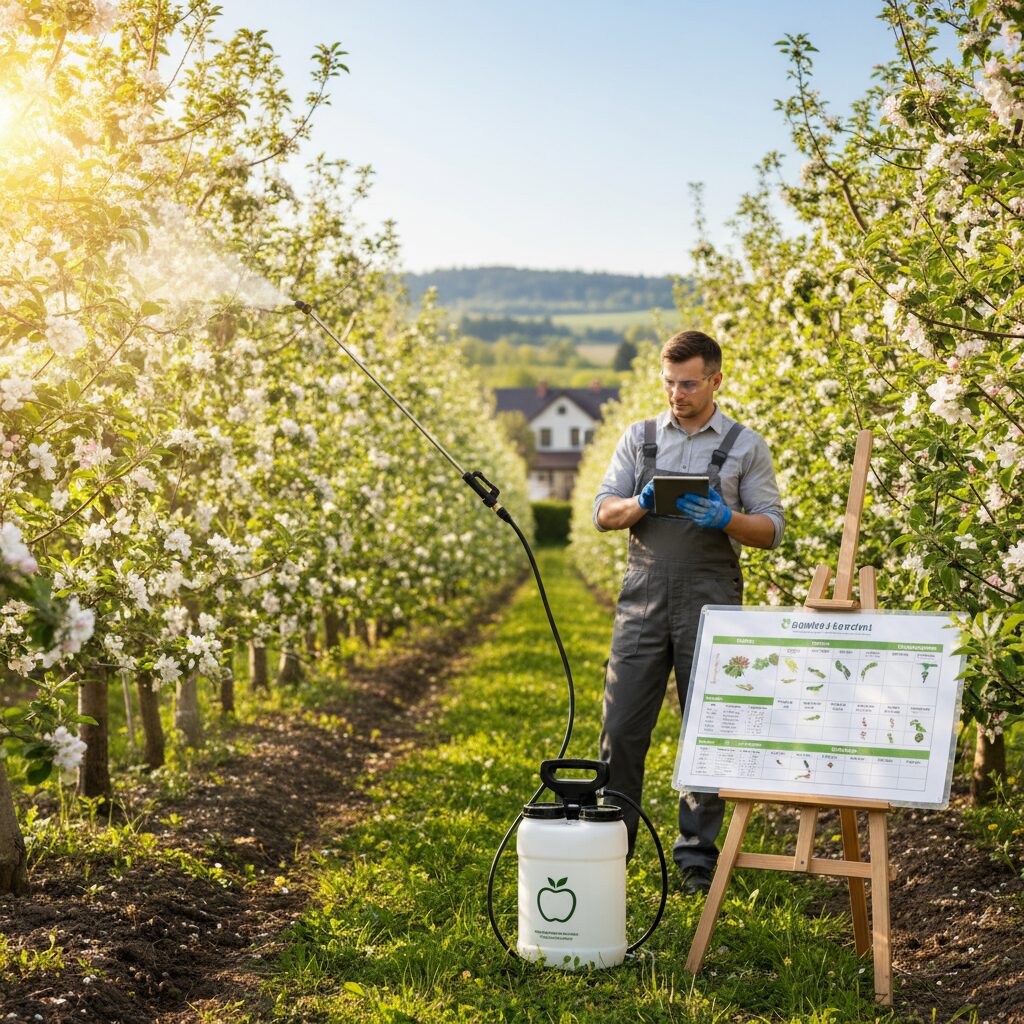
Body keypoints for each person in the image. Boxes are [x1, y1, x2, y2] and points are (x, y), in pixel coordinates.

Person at [593, 330, 784, 894]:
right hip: (644, 595)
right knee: (622, 725)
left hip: (712, 598)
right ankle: (614, 841)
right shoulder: (641, 437)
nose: (678, 393)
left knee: (709, 725)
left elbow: (771, 528)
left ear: (716, 380)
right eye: (671, 382)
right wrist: (637, 505)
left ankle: (697, 856)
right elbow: (604, 511)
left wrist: (725, 518)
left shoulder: (746, 445)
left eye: (690, 383)